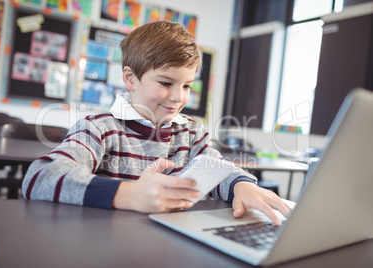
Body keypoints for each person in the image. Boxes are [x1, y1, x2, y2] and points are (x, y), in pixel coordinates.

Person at [22, 21, 290, 225]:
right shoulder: (99, 128)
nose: (178, 97)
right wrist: (129, 195)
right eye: (165, 83)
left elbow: (218, 169)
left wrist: (241, 185)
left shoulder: (191, 132)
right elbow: (39, 177)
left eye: (186, 85)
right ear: (130, 78)